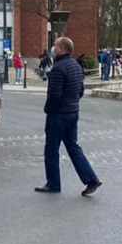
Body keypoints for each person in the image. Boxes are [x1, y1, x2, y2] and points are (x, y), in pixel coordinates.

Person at [35, 36, 102, 196]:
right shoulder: (76, 66)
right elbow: (80, 90)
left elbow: (54, 95)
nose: (53, 49)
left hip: (58, 115)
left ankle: (53, 183)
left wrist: (49, 109)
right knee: (73, 147)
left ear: (62, 49)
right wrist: (72, 103)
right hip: (73, 112)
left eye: (55, 46)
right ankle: (91, 178)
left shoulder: (58, 69)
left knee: (51, 149)